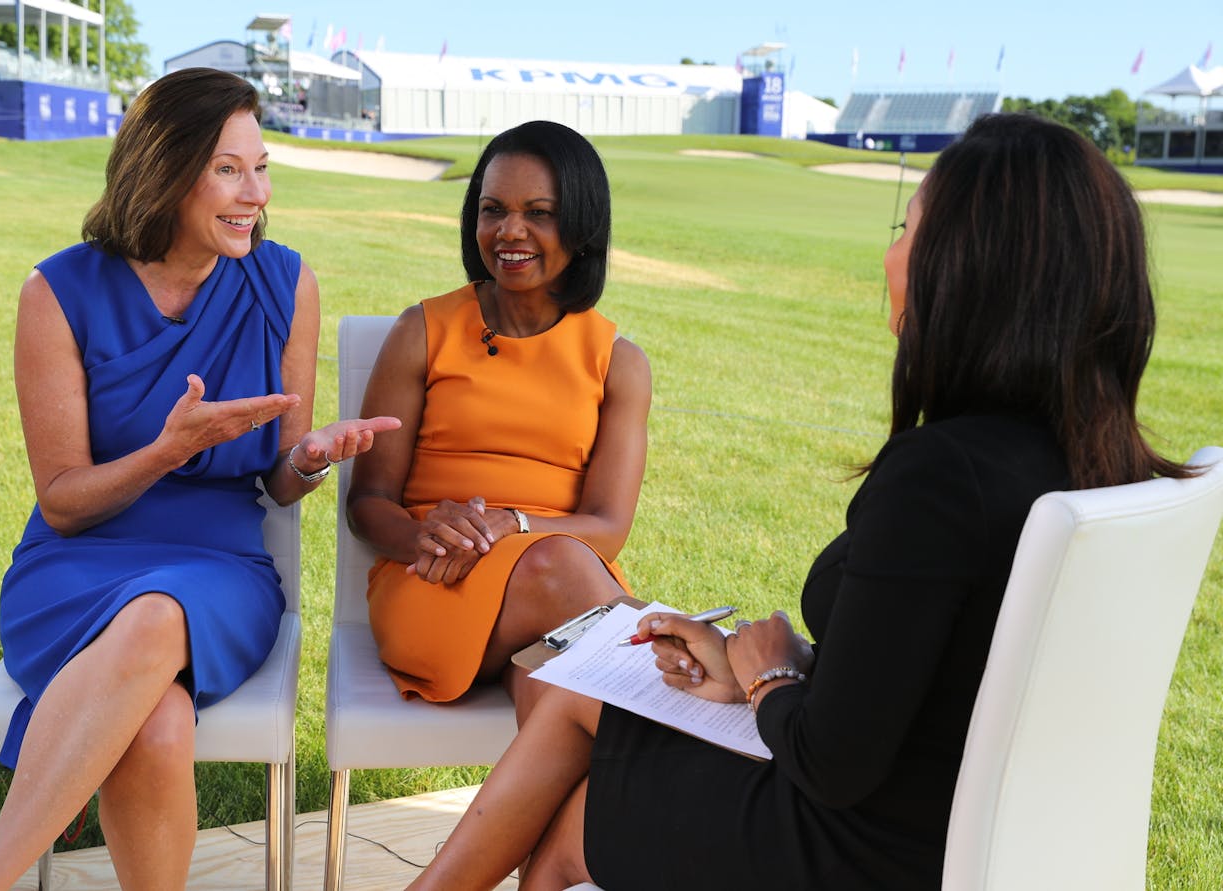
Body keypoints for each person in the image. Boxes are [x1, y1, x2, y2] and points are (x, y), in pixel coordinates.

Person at [403, 113, 1196, 891]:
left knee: (575, 815)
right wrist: (759, 666)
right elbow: (944, 680)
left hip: (863, 847)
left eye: (908, 230)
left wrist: (770, 676)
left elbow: (832, 761)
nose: (890, 256)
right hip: (971, 834)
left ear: (968, 271)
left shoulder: (940, 477)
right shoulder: (1105, 465)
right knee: (582, 701)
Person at [0, 67, 397, 891]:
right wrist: (165, 450)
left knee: (159, 616)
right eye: (229, 168)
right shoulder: (56, 291)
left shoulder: (284, 282)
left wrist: (310, 458)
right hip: (74, 563)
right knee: (156, 724)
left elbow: (280, 473)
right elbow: (62, 500)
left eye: (262, 167)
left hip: (220, 569)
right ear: (163, 166)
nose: (255, 192)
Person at [347, 120, 652, 712]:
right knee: (559, 570)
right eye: (493, 210)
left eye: (540, 212)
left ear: (582, 224)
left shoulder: (619, 363)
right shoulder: (422, 331)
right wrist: (426, 537)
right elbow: (368, 501)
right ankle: (688, 655)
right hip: (432, 584)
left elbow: (609, 528)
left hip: (560, 597)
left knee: (566, 714)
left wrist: (512, 524)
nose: (511, 231)